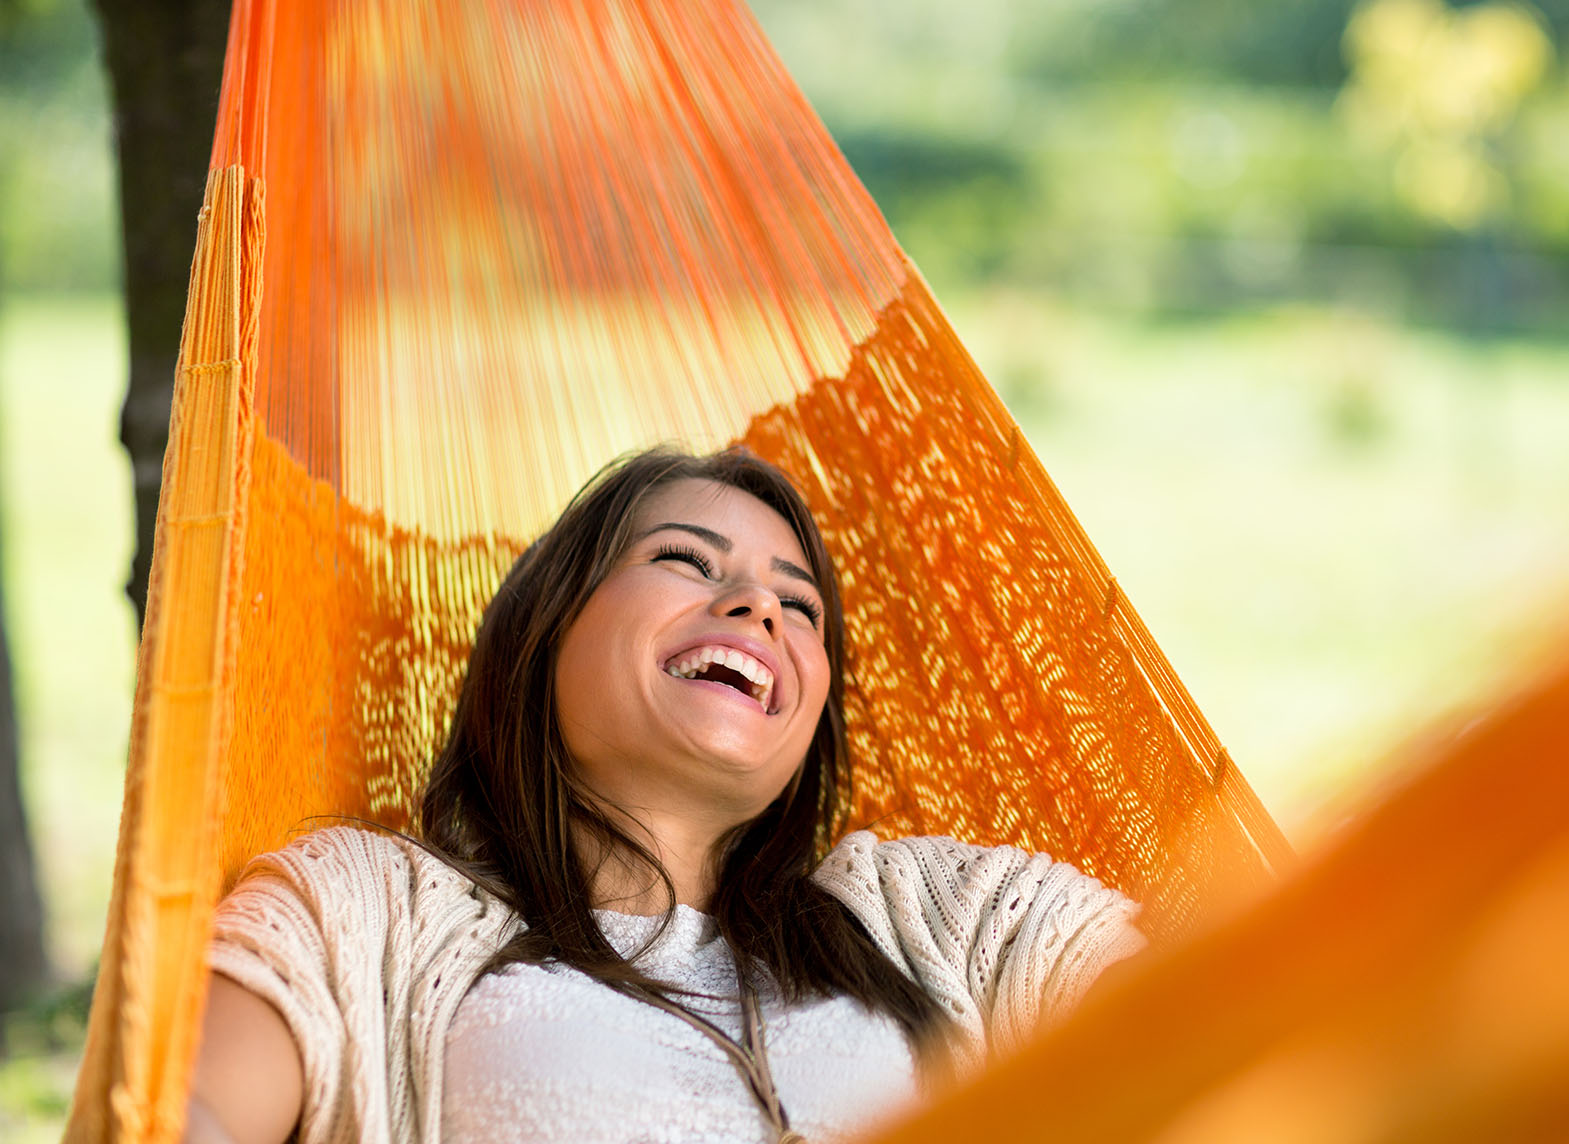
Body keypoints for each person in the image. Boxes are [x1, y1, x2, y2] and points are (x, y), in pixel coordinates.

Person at [186, 447, 1146, 1144]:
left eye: (799, 606)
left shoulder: (942, 919)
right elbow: (188, 1112)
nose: (759, 608)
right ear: (544, 628)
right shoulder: (369, 908)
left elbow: (1222, 1014)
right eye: (687, 561)